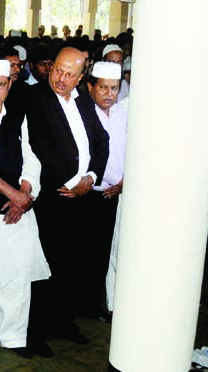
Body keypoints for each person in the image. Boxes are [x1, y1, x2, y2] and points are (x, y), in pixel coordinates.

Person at [25, 46, 110, 356]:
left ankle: (64, 322)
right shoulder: (36, 99)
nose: (60, 78)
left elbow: (102, 141)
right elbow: (39, 146)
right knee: (46, 267)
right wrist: (71, 182)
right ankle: (35, 333)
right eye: (57, 70)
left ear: (80, 77)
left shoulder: (84, 100)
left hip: (83, 196)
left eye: (69, 74)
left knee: (74, 264)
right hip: (55, 197)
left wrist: (90, 178)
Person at [0, 60, 50, 365]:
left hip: (19, 209)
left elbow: (32, 156)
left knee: (18, 276)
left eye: (1, 84)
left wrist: (25, 194)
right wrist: (11, 194)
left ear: (10, 85)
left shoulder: (18, 113)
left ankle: (14, 336)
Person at [87, 61, 128, 315]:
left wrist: (124, 182)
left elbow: (127, 151)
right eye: (103, 88)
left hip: (118, 191)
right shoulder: (84, 113)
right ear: (91, 86)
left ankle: (96, 304)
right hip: (92, 193)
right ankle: (86, 304)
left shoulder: (122, 113)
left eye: (114, 88)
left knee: (106, 251)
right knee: (89, 252)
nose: (108, 94)